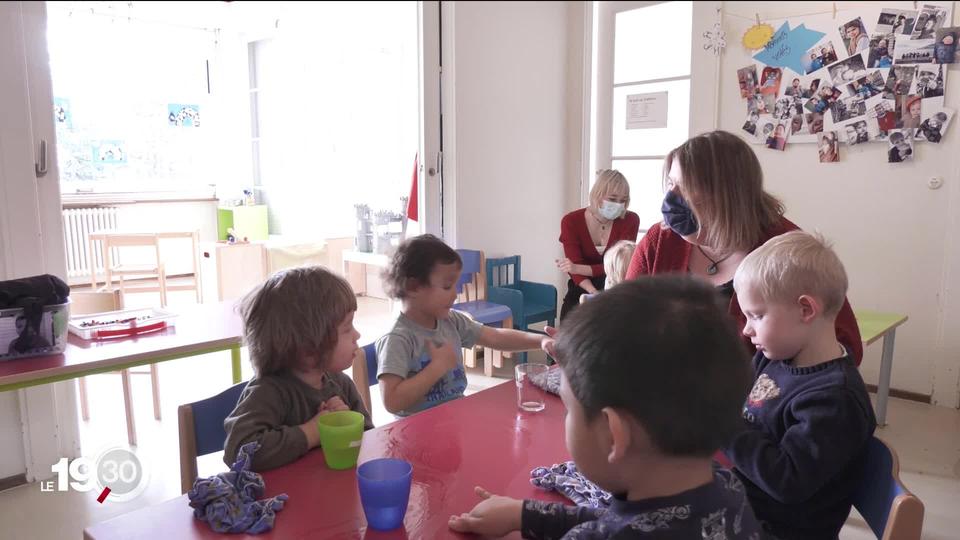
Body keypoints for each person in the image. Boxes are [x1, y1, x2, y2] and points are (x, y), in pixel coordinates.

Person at [448, 277, 762, 539]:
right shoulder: (727, 487)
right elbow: (618, 520)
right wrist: (525, 514)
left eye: (569, 410)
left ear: (614, 436)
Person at [625, 130, 863, 364]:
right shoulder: (660, 240)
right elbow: (624, 319)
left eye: (685, 187)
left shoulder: (786, 251)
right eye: (670, 183)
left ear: (726, 194)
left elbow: (844, 344)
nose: (671, 197)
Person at [723, 231, 876, 540]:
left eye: (756, 315)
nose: (747, 329)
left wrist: (722, 428)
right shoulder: (775, 359)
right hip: (743, 505)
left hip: (777, 530)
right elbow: (740, 399)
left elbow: (787, 480)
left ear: (806, 310)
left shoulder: (835, 399)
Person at [378, 234, 552, 416]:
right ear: (413, 287)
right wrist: (437, 367)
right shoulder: (397, 338)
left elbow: (495, 337)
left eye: (455, 286)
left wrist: (541, 340)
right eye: (447, 287)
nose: (454, 295)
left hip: (455, 419)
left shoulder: (451, 320)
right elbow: (392, 401)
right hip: (415, 432)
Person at [223, 266, 373, 472]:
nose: (357, 335)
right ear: (308, 348)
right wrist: (312, 432)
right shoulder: (268, 392)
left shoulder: (341, 384)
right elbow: (238, 452)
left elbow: (369, 438)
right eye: (347, 328)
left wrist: (347, 428)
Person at [556, 170, 640, 320]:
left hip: (616, 286)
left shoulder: (630, 220)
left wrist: (579, 268)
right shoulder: (571, 221)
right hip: (581, 286)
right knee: (568, 335)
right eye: (613, 198)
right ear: (597, 195)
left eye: (623, 200)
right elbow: (574, 268)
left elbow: (621, 264)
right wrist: (593, 292)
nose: (618, 205)